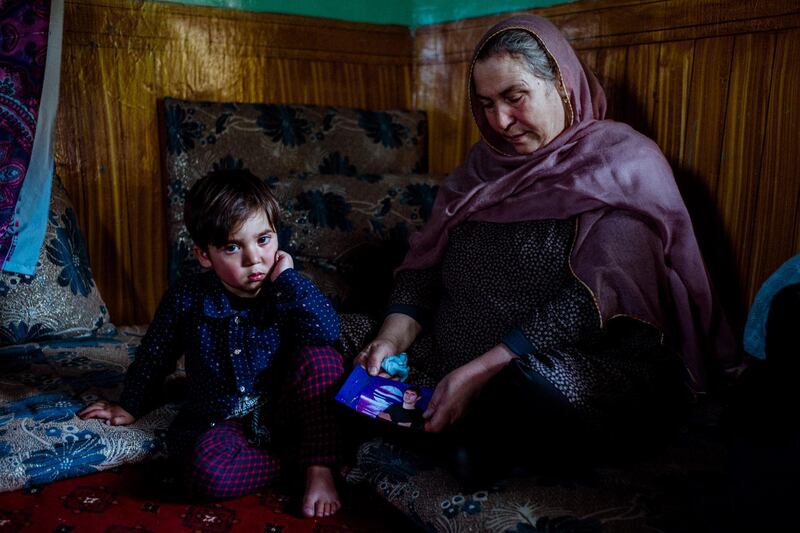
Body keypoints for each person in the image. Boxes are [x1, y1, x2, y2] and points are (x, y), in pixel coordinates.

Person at [342, 14, 740, 479]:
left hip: (557, 364)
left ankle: (466, 431)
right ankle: (457, 429)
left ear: (562, 85)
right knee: (336, 334)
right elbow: (423, 269)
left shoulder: (621, 164)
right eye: (486, 104)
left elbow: (587, 303)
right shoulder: (480, 170)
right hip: (450, 354)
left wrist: (481, 372)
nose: (500, 121)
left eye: (515, 97)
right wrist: (391, 337)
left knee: (535, 389)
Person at [78, 169, 344, 517]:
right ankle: (302, 460)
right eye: (233, 247)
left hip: (286, 409)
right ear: (205, 255)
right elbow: (155, 353)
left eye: (263, 239)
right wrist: (130, 404)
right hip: (224, 420)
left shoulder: (289, 289)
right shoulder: (187, 298)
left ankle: (320, 469)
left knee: (324, 361)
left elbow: (328, 332)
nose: (254, 259)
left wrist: (290, 281)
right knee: (205, 473)